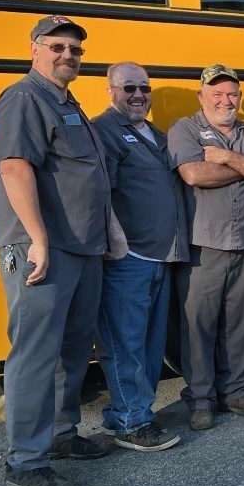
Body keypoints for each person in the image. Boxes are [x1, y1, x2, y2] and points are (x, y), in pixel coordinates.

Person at [0, 14, 122, 486]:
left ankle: (63, 436)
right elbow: (14, 168)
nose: (68, 55)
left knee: (71, 350)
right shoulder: (24, 97)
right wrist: (38, 240)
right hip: (43, 249)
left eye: (76, 50)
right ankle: (25, 461)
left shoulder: (69, 104)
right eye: (58, 47)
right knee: (35, 353)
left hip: (82, 248)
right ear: (34, 49)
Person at [170, 65, 244, 431]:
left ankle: (235, 392)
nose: (225, 100)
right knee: (198, 325)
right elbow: (194, 174)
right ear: (201, 96)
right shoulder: (185, 128)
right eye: (216, 93)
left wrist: (227, 157)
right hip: (204, 245)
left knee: (242, 323)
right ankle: (201, 400)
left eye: (232, 93)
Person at [91, 61, 187, 452]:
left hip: (160, 256)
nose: (137, 95)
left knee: (149, 344)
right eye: (128, 87)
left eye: (144, 88)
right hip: (128, 258)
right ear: (110, 91)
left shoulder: (156, 134)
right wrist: (117, 243)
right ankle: (134, 423)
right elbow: (100, 192)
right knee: (125, 343)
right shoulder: (105, 132)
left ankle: (127, 412)